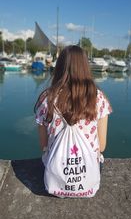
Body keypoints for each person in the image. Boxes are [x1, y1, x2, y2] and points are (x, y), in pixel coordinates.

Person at [35, 45, 112, 183]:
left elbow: (43, 145)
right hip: (89, 171)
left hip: (56, 172)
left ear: (59, 67)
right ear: (85, 67)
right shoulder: (98, 98)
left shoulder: (47, 99)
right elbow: (102, 146)